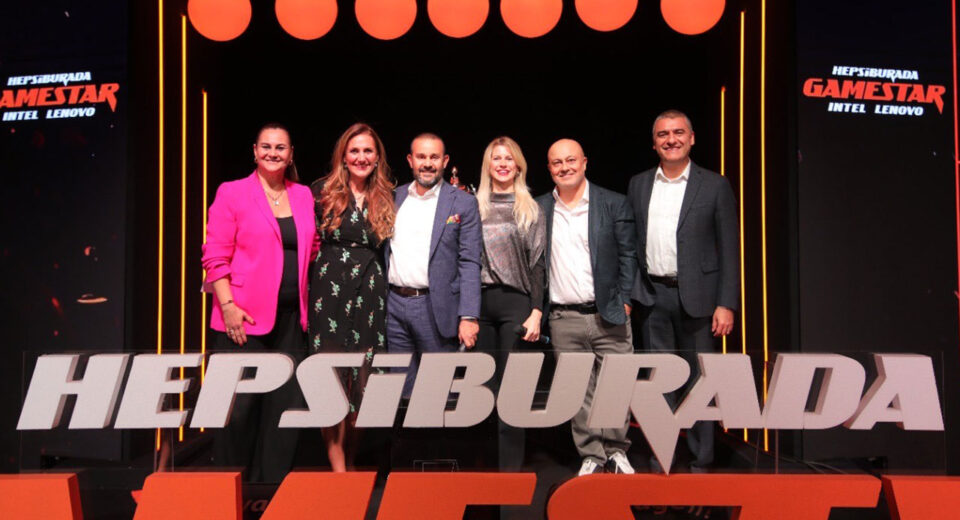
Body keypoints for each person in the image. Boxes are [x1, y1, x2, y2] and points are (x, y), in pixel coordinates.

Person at [201, 122, 318, 482]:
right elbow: (214, 256)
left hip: (291, 321)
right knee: (237, 413)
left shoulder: (303, 195)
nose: (273, 153)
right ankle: (230, 492)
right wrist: (228, 308)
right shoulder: (232, 192)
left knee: (284, 414)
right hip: (243, 320)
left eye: (280, 147)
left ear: (291, 154)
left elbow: (313, 249)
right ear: (254, 151)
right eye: (266, 146)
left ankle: (271, 494)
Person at [627, 109, 739, 471]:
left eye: (678, 132)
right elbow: (631, 243)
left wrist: (726, 303)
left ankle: (700, 463)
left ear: (691, 138)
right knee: (659, 383)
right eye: (663, 134)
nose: (671, 139)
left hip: (700, 299)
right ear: (654, 143)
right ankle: (662, 461)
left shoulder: (715, 185)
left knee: (699, 383)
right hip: (652, 297)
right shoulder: (639, 184)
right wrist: (631, 293)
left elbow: (730, 247)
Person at [536, 138, 637, 476]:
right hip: (564, 318)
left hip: (609, 313)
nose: (564, 167)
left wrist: (625, 300)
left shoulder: (613, 203)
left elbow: (628, 255)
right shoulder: (539, 208)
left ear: (584, 162)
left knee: (616, 385)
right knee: (578, 391)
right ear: (549, 168)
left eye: (571, 160)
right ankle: (591, 454)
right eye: (557, 163)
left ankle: (617, 452)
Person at [309, 123, 395, 472]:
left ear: (377, 157)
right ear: (343, 156)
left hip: (370, 292)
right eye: (354, 150)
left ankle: (352, 460)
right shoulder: (320, 191)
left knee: (365, 381)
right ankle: (338, 468)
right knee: (330, 379)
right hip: (329, 289)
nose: (361, 157)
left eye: (367, 151)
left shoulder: (389, 196)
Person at [385, 133, 481, 397]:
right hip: (394, 306)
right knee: (400, 391)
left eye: (434, 157)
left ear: (445, 161)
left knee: (438, 393)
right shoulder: (393, 197)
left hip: (435, 307)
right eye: (421, 157)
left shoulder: (463, 202)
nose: (427, 163)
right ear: (410, 160)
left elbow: (470, 262)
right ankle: (404, 425)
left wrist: (469, 316)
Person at [476, 136, 547, 472]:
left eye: (509, 158)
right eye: (496, 158)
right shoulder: (472, 206)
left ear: (518, 166)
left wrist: (537, 311)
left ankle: (510, 474)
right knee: (481, 391)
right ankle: (485, 470)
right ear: (488, 165)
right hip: (478, 306)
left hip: (515, 304)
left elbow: (537, 265)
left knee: (513, 392)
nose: (503, 164)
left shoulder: (530, 208)